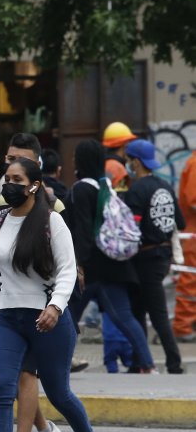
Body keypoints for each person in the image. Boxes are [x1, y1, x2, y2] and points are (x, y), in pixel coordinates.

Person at [0, 157, 104, 432]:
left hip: (47, 319)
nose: (9, 184)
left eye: (17, 178)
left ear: (34, 185)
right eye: (7, 178)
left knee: (59, 393)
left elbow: (67, 271)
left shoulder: (51, 222)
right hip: (7, 317)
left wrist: (56, 307)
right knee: (2, 389)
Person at [0, 133, 68, 432]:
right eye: (8, 160)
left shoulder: (53, 211)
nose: (10, 174)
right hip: (3, 309)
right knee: (6, 383)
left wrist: (56, 305)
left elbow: (65, 263)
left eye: (20, 165)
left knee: (27, 378)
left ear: (36, 173)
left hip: (41, 310)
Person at [66, 139, 156, 373]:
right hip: (113, 266)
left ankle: (55, 362)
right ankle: (148, 364)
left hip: (93, 269)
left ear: (81, 161)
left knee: (64, 316)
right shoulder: (103, 186)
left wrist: (79, 265)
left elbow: (83, 231)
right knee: (124, 318)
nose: (73, 160)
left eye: (76, 156)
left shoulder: (81, 189)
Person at [124, 140, 186, 373]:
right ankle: (139, 362)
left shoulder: (137, 190)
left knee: (156, 313)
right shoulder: (165, 186)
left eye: (129, 160)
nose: (127, 164)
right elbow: (179, 222)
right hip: (162, 257)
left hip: (144, 259)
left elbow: (132, 229)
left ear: (136, 162)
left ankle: (174, 363)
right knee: (138, 308)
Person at [173, 151, 196, 341]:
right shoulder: (195, 164)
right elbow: (193, 200)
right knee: (190, 281)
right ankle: (183, 326)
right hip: (193, 237)